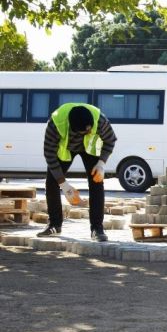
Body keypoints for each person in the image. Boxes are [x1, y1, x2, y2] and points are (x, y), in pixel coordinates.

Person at [37, 103, 117, 241]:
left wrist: (101, 163)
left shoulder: (101, 121)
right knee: (52, 182)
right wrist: (64, 185)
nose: (89, 132)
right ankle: (54, 225)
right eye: (85, 132)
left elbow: (110, 140)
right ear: (73, 129)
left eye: (91, 129)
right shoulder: (56, 123)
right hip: (67, 149)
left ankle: (97, 228)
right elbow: (49, 154)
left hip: (90, 150)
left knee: (96, 182)